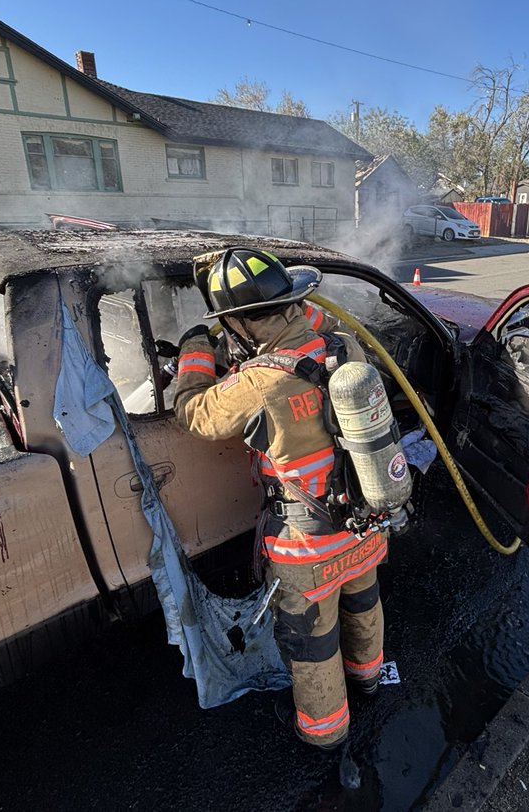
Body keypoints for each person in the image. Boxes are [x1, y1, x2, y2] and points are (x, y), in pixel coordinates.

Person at [170, 247, 387, 751]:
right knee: (364, 603)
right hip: (364, 521)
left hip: (307, 548)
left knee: (313, 641)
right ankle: (370, 681)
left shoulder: (256, 384)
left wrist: (196, 351)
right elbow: (298, 331)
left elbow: (193, 411)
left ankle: (326, 734)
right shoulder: (344, 346)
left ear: (240, 323)